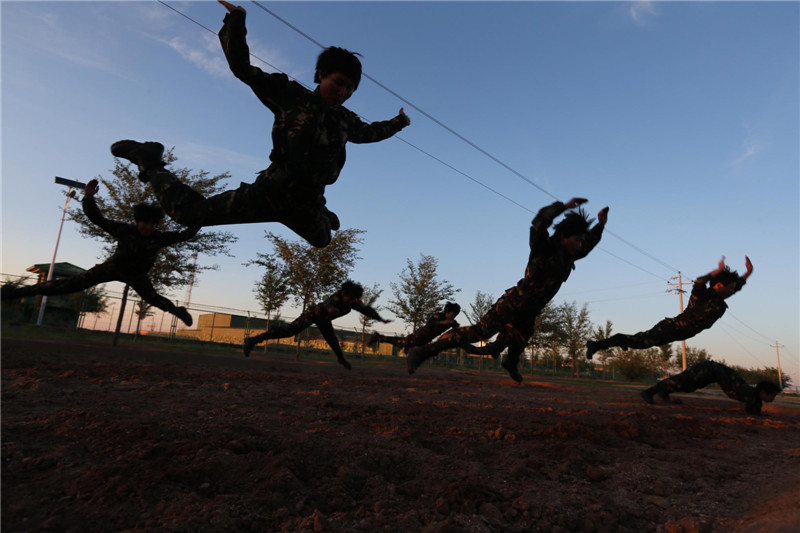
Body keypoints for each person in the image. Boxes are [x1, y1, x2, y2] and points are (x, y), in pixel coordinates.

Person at [110, 0, 410, 249]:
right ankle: (149, 161)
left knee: (323, 240)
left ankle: (321, 209)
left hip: (305, 203)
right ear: (320, 75)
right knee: (187, 215)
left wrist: (399, 122)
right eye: (338, 83)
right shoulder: (290, 95)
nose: (343, 93)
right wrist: (236, 20)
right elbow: (242, 68)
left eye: (350, 89)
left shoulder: (346, 119)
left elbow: (371, 133)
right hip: (268, 194)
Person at [406, 198, 609, 382]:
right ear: (564, 235)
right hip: (515, 302)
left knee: (519, 342)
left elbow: (587, 246)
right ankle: (422, 352)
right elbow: (539, 222)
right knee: (481, 332)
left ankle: (510, 364)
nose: (579, 245)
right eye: (576, 240)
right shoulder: (543, 246)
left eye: (581, 241)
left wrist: (600, 225)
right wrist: (562, 207)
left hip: (529, 311)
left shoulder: (568, 256)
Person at [1, 179, 197, 326]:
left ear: (156, 225)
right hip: (112, 268)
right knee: (69, 285)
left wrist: (198, 218)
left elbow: (186, 234)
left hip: (137, 275)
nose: (147, 228)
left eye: (151, 225)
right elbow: (98, 219)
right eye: (144, 224)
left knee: (155, 298)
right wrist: (88, 198)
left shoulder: (160, 237)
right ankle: (14, 292)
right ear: (138, 221)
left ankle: (178, 311)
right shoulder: (124, 230)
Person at [586, 256, 753, 360]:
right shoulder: (703, 295)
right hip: (669, 328)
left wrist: (748, 272)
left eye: (733, 288)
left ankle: (623, 341)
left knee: (637, 341)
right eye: (730, 288)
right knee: (639, 342)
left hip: (678, 333)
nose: (733, 291)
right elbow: (699, 282)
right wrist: (716, 271)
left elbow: (738, 284)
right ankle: (597, 344)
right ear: (718, 285)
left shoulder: (719, 297)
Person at [242, 281, 391, 369]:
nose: (351, 301)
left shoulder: (353, 301)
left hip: (324, 320)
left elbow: (367, 310)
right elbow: (328, 305)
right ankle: (253, 340)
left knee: (332, 340)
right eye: (349, 298)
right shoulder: (337, 297)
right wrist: (330, 309)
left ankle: (340, 358)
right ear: (343, 293)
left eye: (353, 300)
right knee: (289, 331)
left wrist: (380, 319)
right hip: (314, 314)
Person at [639, 360, 781, 415]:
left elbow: (755, 408)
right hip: (708, 369)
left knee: (688, 387)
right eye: (772, 395)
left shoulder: (752, 395)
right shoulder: (749, 394)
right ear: (763, 392)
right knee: (681, 382)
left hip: (712, 373)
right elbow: (753, 412)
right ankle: (649, 392)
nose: (773, 399)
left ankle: (664, 392)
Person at [366, 302, 461, 354]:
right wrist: (442, 322)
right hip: (421, 334)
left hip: (427, 339)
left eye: (455, 316)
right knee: (403, 342)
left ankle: (408, 348)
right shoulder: (438, 316)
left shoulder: (452, 322)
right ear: (447, 312)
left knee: (414, 349)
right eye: (452, 315)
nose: (453, 317)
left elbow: (457, 328)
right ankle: (379, 337)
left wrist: (454, 331)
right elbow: (429, 323)